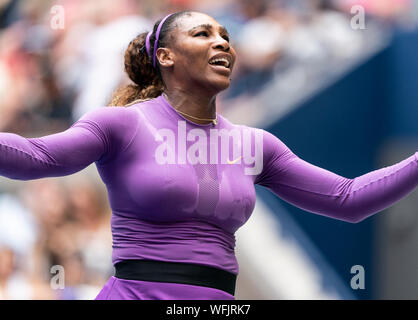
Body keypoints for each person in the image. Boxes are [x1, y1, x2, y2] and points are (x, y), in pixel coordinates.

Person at [0, 10, 417, 300]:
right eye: (203, 34)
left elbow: (348, 199)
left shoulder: (257, 146)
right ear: (166, 56)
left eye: (226, 37)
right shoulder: (122, 125)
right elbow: (34, 156)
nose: (222, 41)